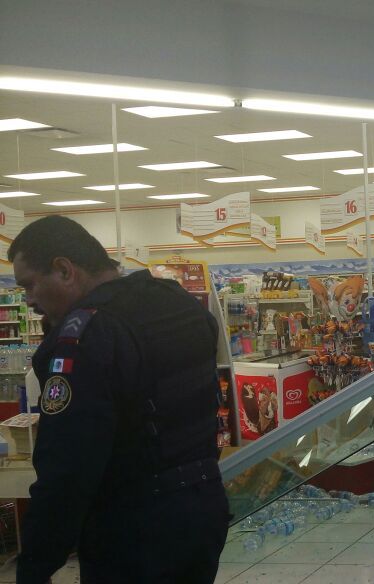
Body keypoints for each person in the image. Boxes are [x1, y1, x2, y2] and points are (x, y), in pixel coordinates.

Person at [10, 216, 230, 584]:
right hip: (203, 511)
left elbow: (67, 468)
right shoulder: (178, 302)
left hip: (134, 531)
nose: (29, 300)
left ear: (65, 270)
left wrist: (34, 567)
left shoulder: (87, 336)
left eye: (30, 285)